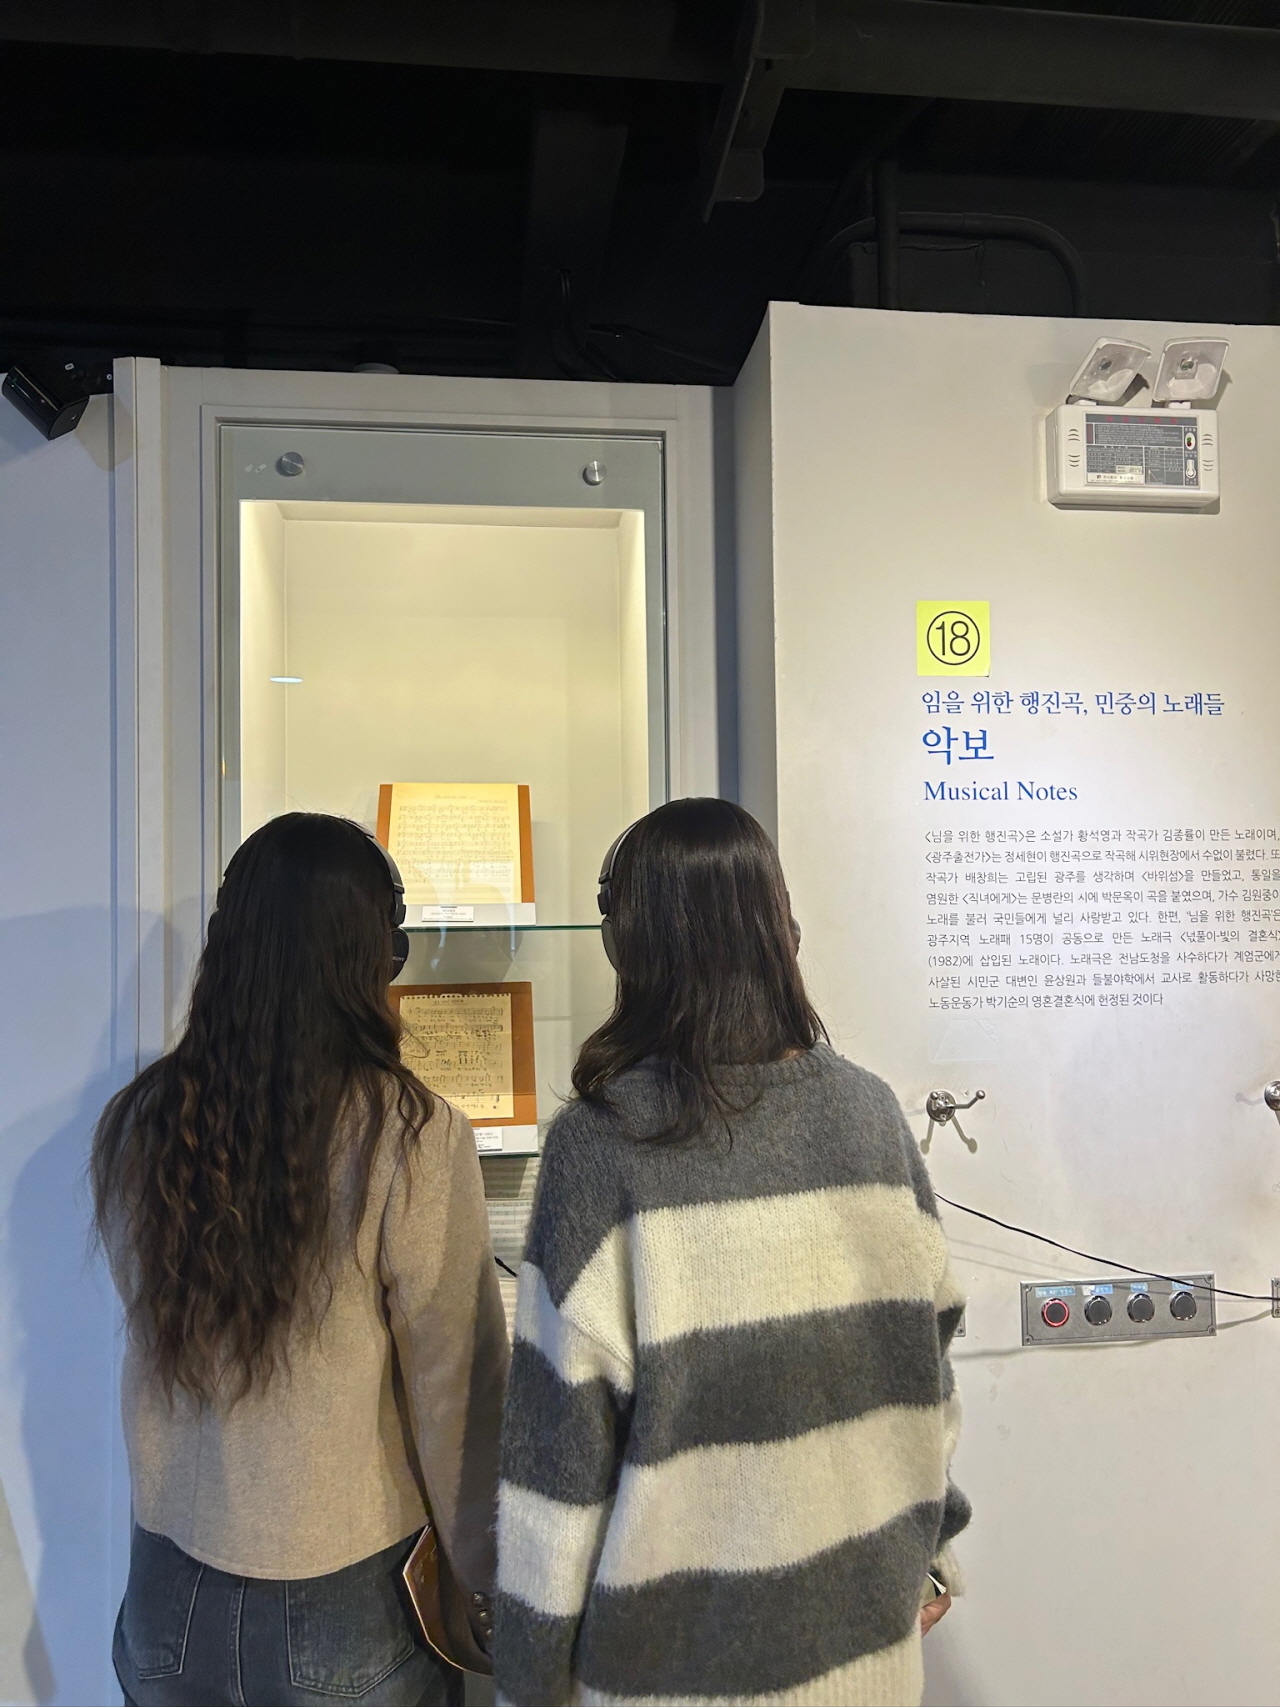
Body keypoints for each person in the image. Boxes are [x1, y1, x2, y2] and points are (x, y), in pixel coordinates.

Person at [494, 798, 969, 1707]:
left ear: (631, 942)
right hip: (867, 1659)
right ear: (777, 924)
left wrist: (528, 1680)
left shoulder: (603, 1144)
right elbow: (929, 1370)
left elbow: (560, 1459)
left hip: (673, 1676)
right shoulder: (870, 1114)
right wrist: (934, 1546)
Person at [93, 812, 509, 1707]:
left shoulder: (144, 1122)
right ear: (373, 955)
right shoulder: (410, 1134)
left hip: (168, 1591)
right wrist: (487, 1572)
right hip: (348, 1596)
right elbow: (457, 1390)